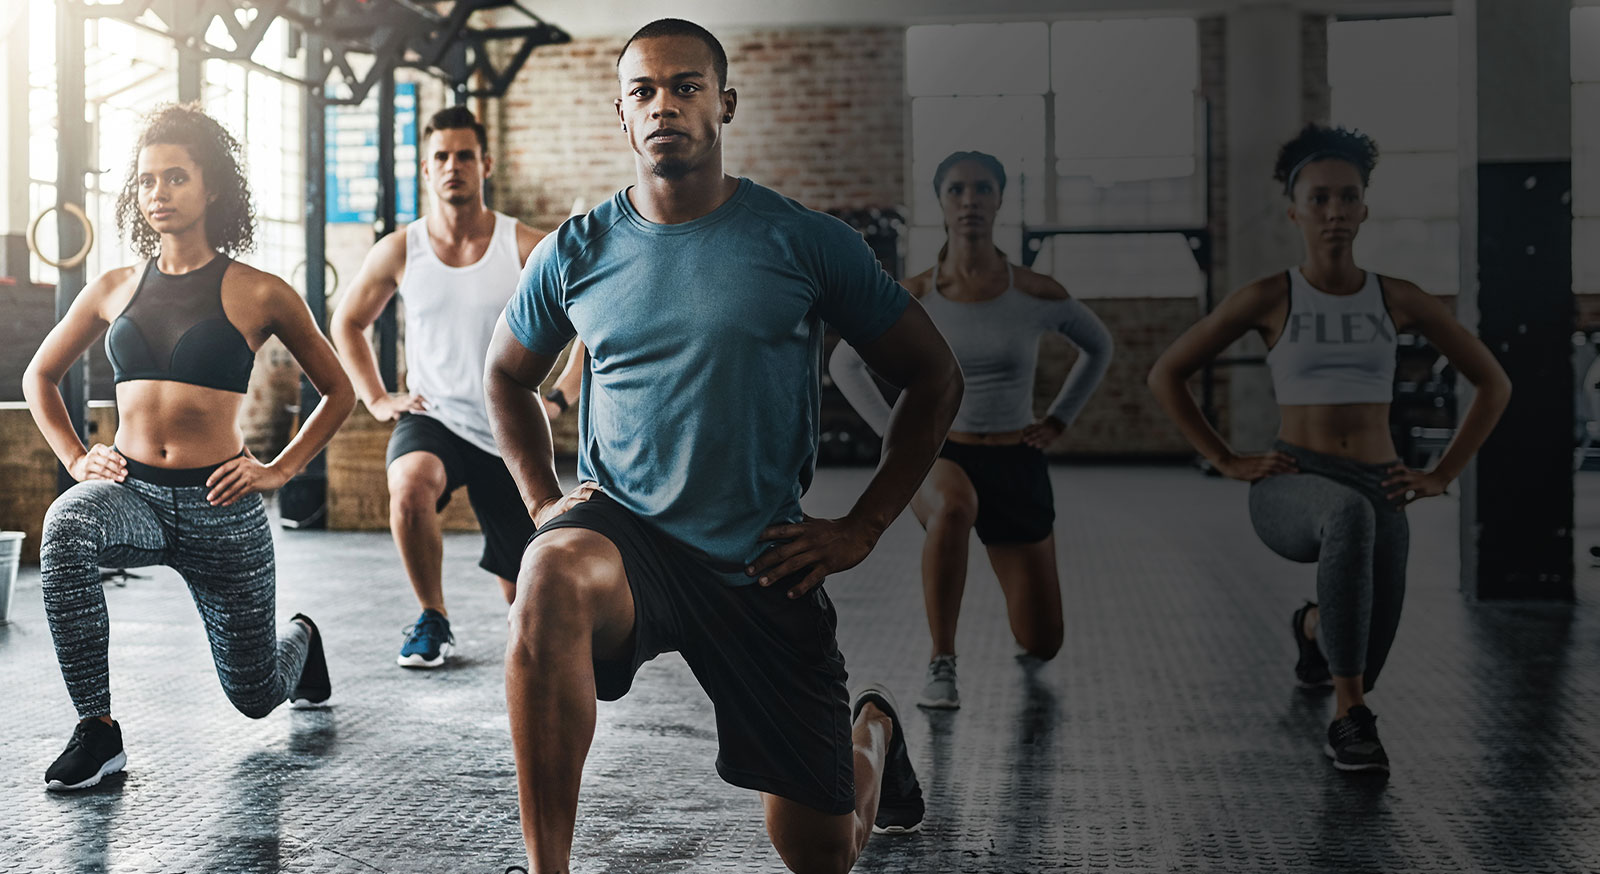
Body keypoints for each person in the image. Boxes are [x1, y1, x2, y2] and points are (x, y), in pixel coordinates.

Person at [486, 19, 964, 873]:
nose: (663, 104)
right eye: (643, 91)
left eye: (686, 86)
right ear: (621, 118)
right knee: (548, 570)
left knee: (821, 855)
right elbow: (506, 377)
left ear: (725, 103)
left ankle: (875, 733)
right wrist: (539, 502)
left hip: (762, 558)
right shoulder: (577, 250)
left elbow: (934, 377)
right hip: (627, 538)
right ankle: (546, 867)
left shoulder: (807, 243)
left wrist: (864, 526)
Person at [1147, 123, 1511, 773]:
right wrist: (1227, 458)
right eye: (1319, 199)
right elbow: (1165, 372)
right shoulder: (1269, 296)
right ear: (1295, 211)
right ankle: (1349, 717)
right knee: (1347, 517)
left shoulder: (1398, 297)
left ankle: (1316, 630)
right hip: (1293, 478)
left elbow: (1493, 382)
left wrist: (1442, 473)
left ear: (1365, 207)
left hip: (1383, 481)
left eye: (1347, 197)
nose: (1334, 211)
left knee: (1364, 653)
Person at [22, 103, 356, 791]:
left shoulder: (260, 292)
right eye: (146, 181)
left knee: (255, 695)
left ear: (212, 191)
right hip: (133, 496)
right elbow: (41, 375)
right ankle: (98, 730)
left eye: (176, 177)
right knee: (66, 525)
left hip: (220, 509)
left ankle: (304, 642)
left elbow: (339, 391)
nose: (158, 194)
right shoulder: (114, 287)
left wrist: (279, 469)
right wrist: (77, 457)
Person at [830, 151, 1114, 710]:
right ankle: (943, 661)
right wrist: (898, 436)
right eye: (957, 190)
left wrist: (1058, 419)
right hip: (943, 453)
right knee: (954, 506)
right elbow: (844, 361)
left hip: (1017, 460)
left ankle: (1026, 635)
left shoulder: (1034, 292)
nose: (970, 201)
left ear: (999, 200)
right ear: (941, 202)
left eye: (982, 189)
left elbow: (1098, 345)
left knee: (1043, 641)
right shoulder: (914, 294)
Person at [331, 107, 549, 669]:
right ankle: (432, 616)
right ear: (427, 171)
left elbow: (587, 318)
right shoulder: (402, 249)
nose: (453, 166)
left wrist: (562, 391)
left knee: (525, 601)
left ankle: (531, 626)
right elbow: (347, 322)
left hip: (509, 426)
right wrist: (378, 398)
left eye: (465, 156)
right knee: (408, 484)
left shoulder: (522, 244)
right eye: (441, 157)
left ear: (486, 165)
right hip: (435, 418)